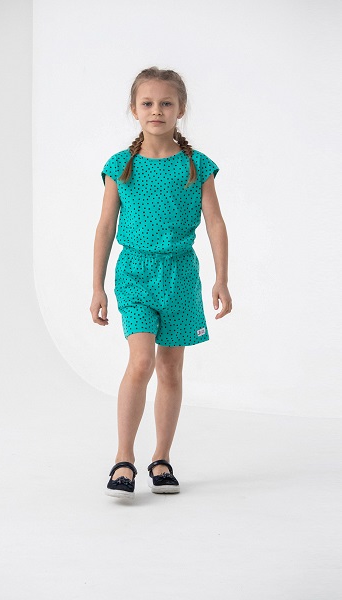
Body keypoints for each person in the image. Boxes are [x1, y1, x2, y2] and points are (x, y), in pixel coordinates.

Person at [90, 66, 232, 500]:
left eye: (166, 103)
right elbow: (105, 226)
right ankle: (123, 459)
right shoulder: (120, 166)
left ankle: (162, 458)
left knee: (170, 367)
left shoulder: (197, 166)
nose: (157, 110)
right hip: (134, 273)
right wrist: (97, 286)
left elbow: (215, 223)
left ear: (180, 109)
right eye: (147, 103)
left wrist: (222, 278)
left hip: (180, 276)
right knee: (141, 362)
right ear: (134, 109)